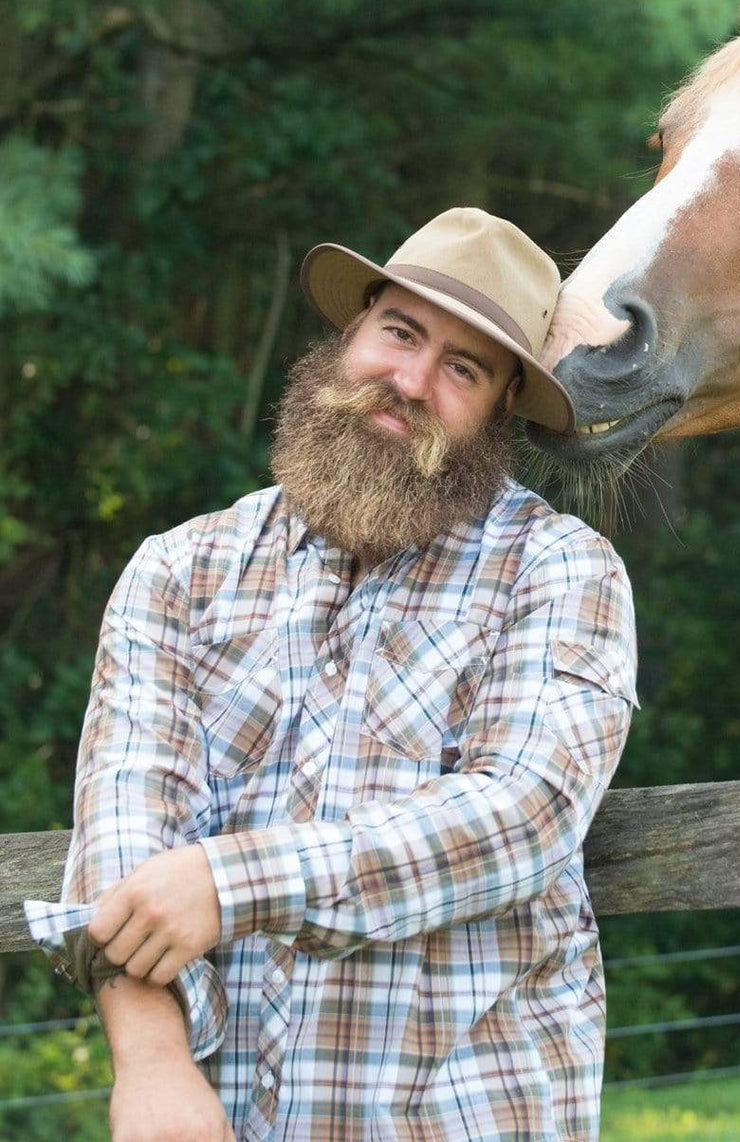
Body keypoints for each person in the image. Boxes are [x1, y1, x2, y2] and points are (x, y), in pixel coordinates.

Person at [25, 207, 638, 1142]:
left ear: (505, 406)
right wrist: (149, 1065)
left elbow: (525, 813)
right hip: (213, 1113)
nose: (411, 380)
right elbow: (124, 823)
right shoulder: (180, 573)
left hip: (467, 1114)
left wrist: (232, 882)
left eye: (462, 367)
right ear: (351, 332)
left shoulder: (558, 571)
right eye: (400, 332)